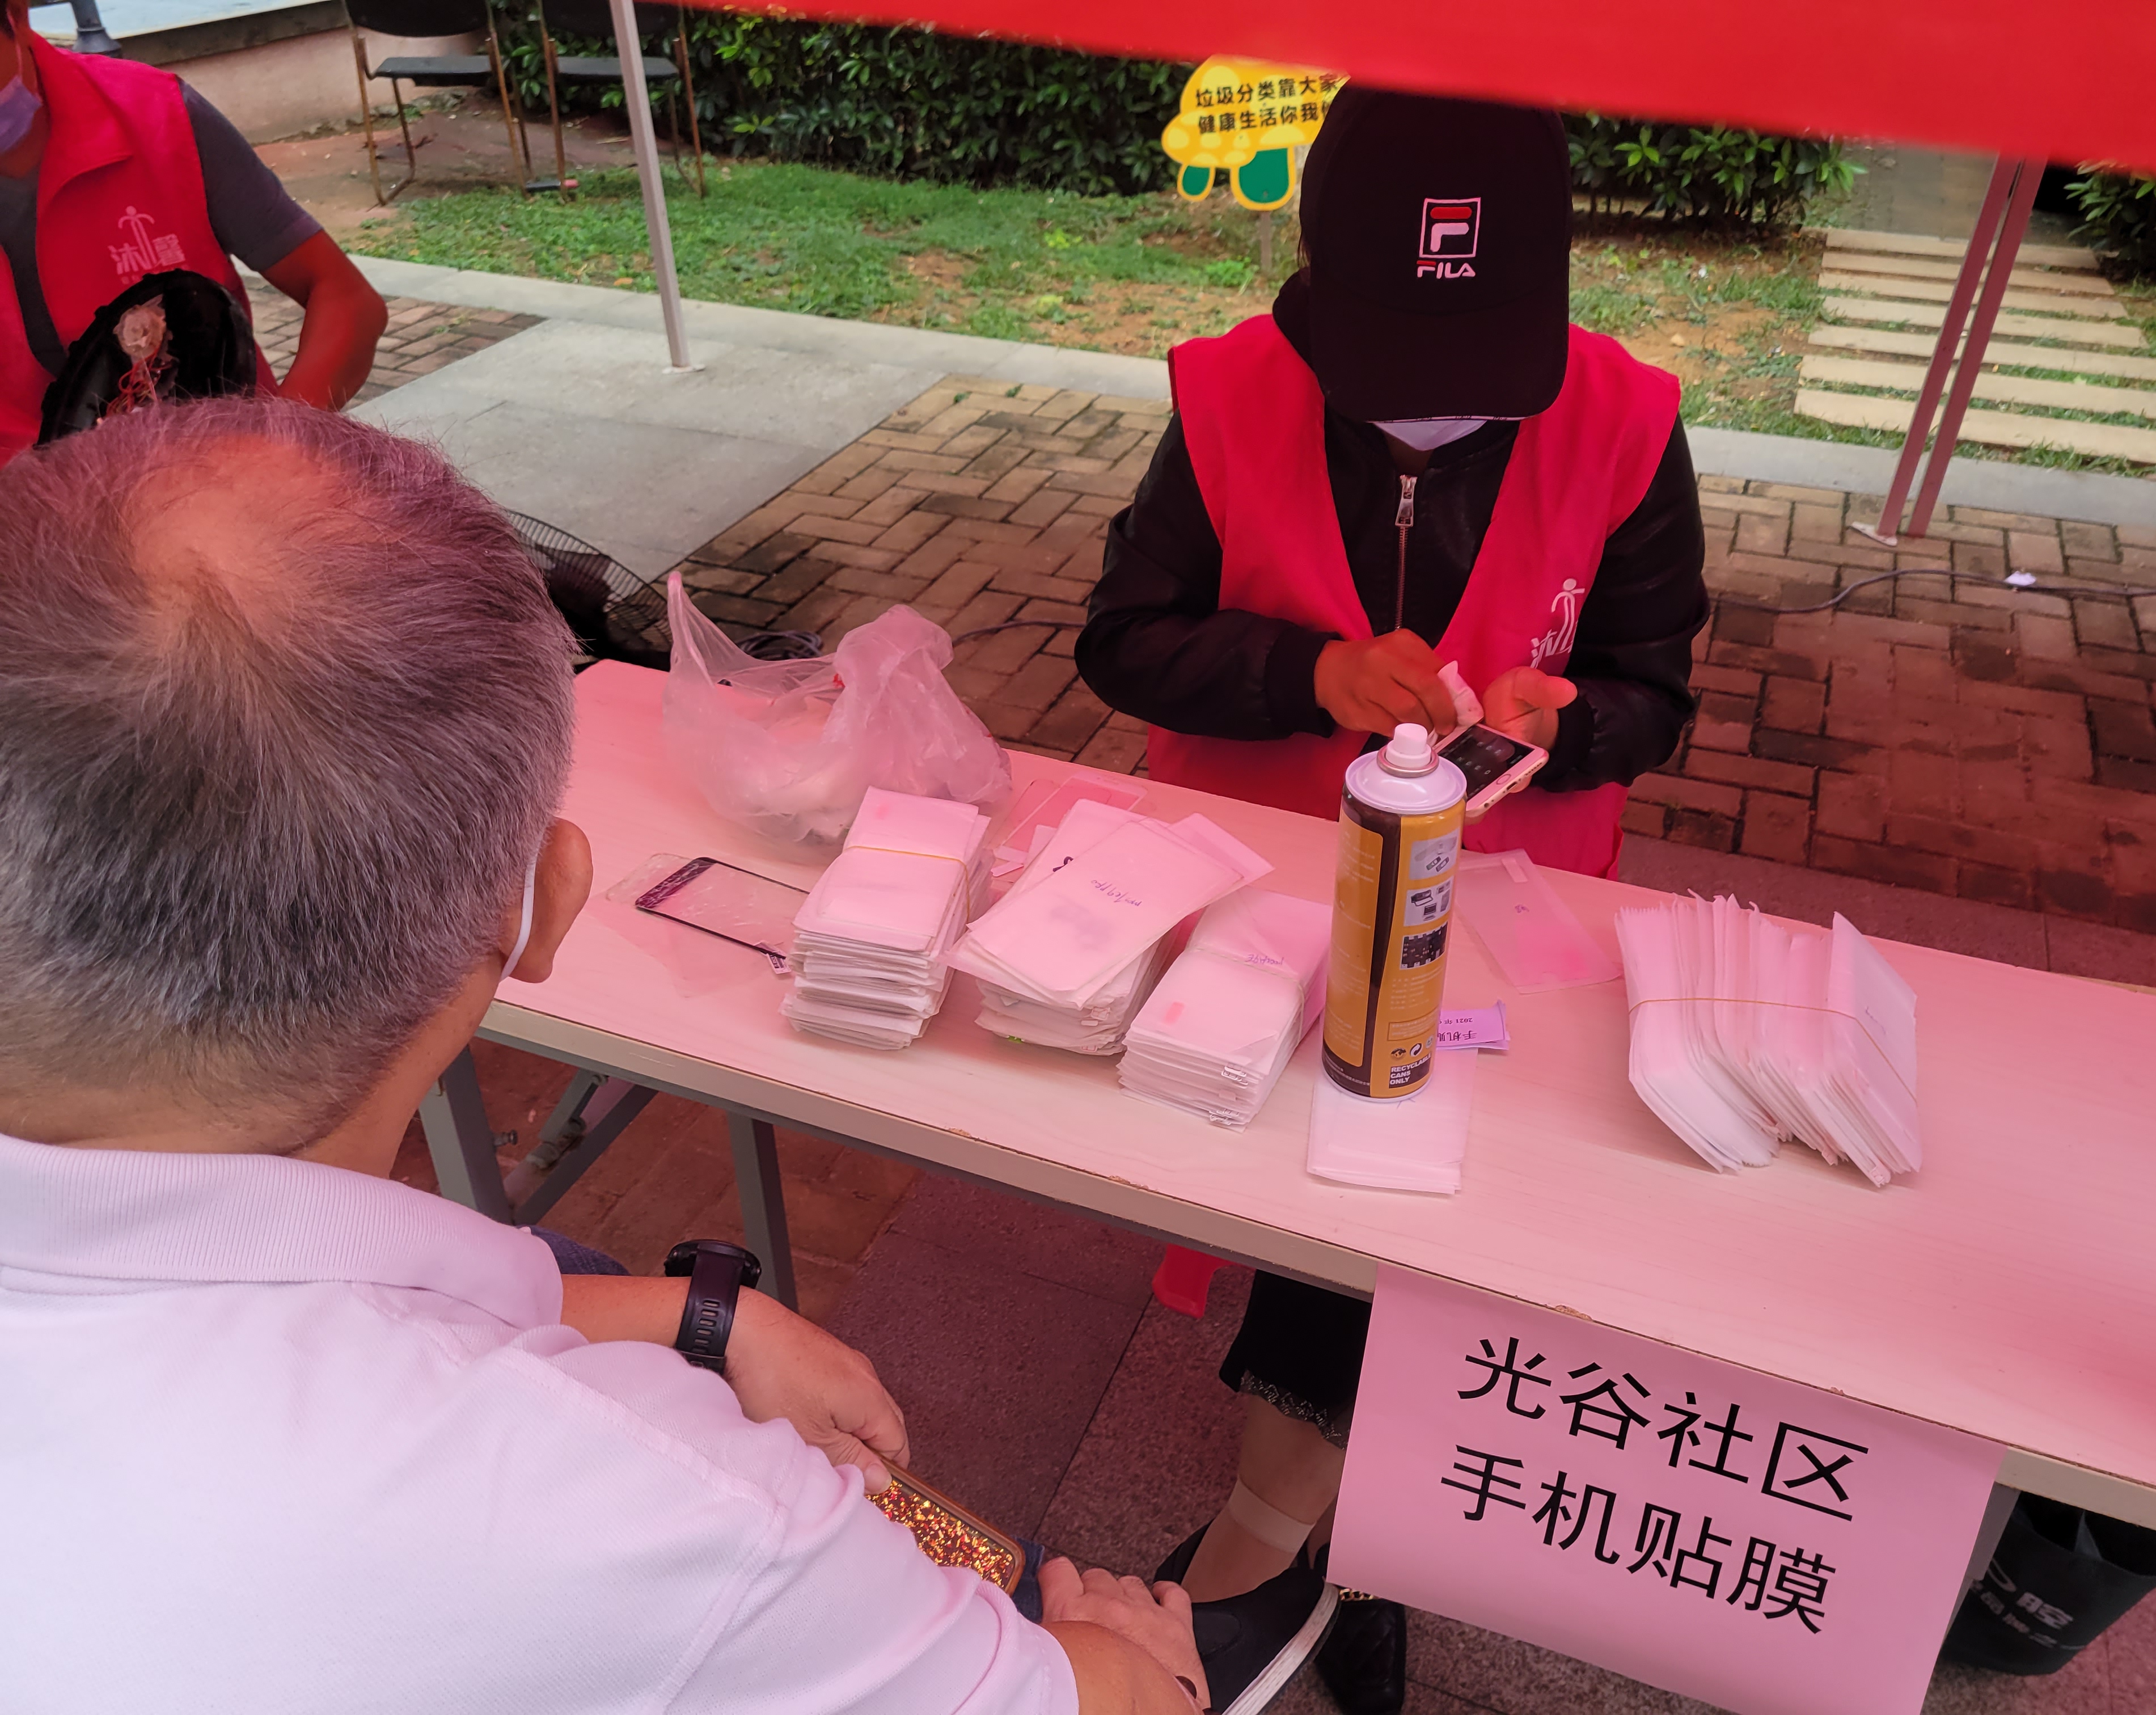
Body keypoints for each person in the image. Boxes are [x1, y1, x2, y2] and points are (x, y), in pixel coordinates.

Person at [0, 398, 1207, 1715]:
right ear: (540, 906)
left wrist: (702, 1318)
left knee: (564, 1262)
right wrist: (1140, 1662)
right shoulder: (667, 1511)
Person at [1076, 87, 1709, 1715]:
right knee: (1317, 1194)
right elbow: (1124, 642)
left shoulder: (1627, 425)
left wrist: (1578, 719)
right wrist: (1308, 673)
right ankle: (1321, 1548)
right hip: (1265, 903)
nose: (1432, 414)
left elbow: (1654, 687)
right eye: (1388, 374)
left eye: (1474, 376)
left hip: (1500, 919)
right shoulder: (1229, 399)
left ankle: (1296, 1543)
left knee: (1431, 1217)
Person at [0, 1, 385, 458]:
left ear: (17, 14)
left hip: (214, 468)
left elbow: (346, 299)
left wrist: (273, 453)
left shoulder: (158, 117)